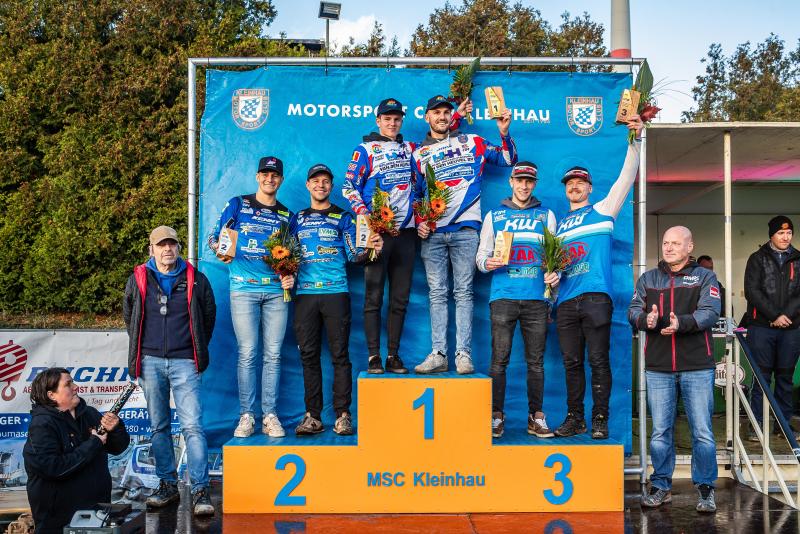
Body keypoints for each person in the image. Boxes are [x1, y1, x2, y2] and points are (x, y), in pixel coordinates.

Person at [342, 97, 470, 375]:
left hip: (407, 235)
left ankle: (393, 356)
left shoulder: (411, 149)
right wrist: (368, 219)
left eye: (397, 119)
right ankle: (373, 357)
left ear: (402, 121)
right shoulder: (365, 149)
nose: (392, 123)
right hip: (377, 234)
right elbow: (349, 187)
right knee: (373, 297)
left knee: (400, 299)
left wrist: (457, 116)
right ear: (378, 121)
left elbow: (438, 138)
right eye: (387, 118)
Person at [552, 115, 643, 440]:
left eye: (580, 182)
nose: (574, 186)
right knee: (571, 363)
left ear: (590, 188)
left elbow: (627, 176)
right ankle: (575, 418)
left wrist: (636, 138)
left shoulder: (604, 209)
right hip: (565, 302)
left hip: (595, 297)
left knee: (598, 360)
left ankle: (600, 419)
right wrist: (552, 282)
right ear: (565, 189)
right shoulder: (558, 226)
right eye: (569, 183)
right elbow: (557, 268)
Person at [413, 94, 517, 374]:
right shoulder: (418, 154)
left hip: (466, 230)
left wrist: (504, 132)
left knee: (464, 293)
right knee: (437, 294)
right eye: (436, 113)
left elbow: (508, 158)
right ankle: (438, 353)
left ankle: (463, 354)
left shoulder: (472, 142)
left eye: (446, 112)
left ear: (452, 117)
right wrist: (420, 221)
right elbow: (416, 195)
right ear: (427, 117)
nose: (442, 117)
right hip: (433, 234)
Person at [123, 225, 216, 515]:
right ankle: (167, 485)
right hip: (150, 362)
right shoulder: (138, 278)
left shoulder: (196, 279)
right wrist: (143, 352)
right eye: (161, 245)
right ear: (151, 249)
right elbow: (129, 314)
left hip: (185, 361)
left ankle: (200, 490)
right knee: (159, 427)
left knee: (192, 427)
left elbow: (208, 315)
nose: (167, 249)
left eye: (172, 244)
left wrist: (194, 347)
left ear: (178, 248)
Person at [628, 226, 721, 513]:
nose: (668, 248)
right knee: (659, 432)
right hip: (658, 367)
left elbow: (710, 312)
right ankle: (661, 486)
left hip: (697, 366)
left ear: (689, 247)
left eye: (675, 243)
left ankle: (706, 489)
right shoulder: (648, 278)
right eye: (666, 243)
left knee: (702, 432)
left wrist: (682, 323)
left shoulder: (705, 277)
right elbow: (633, 311)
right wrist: (646, 319)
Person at [291, 164, 382, 436]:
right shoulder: (297, 219)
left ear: (331, 186)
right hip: (305, 295)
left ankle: (343, 415)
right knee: (308, 356)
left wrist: (371, 249)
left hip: (336, 293)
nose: (320, 185)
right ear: (308, 185)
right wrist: (284, 271)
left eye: (326, 181)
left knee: (340, 355)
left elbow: (354, 255)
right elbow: (287, 256)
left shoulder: (344, 217)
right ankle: (313, 416)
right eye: (315, 181)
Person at [208, 156, 295, 439]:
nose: (270, 179)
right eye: (265, 174)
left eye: (275, 175)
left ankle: (270, 415)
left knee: (273, 355)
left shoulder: (287, 216)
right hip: (243, 289)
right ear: (258, 177)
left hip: (275, 293)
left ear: (281, 180)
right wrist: (219, 250)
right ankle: (247, 416)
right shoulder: (238, 204)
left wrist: (290, 275)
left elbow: (293, 256)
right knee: (247, 353)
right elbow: (214, 237)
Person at [476, 161, 559, 438]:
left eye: (529, 181)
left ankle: (536, 417)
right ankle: (495, 416)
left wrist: (554, 277)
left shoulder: (546, 215)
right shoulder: (495, 215)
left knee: (536, 362)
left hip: (536, 299)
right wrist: (489, 263)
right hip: (503, 297)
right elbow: (480, 257)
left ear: (534, 184)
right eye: (519, 180)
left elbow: (554, 259)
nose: (524, 186)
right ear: (511, 182)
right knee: (499, 361)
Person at [23, 368, 130, 533]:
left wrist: (115, 428)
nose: (75, 387)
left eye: (73, 382)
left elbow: (117, 448)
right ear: (51, 395)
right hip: (59, 520)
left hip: (97, 513)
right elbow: (53, 468)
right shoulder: (42, 425)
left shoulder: (89, 414)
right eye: (68, 384)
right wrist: (94, 443)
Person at [743, 216, 800, 439]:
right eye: (780, 233)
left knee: (785, 378)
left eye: (789, 233)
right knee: (761, 378)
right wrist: (775, 315)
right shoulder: (757, 258)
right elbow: (752, 291)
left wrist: (786, 316)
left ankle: (783, 426)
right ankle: (756, 425)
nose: (785, 237)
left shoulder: (798, 258)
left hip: (791, 329)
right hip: (761, 328)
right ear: (772, 235)